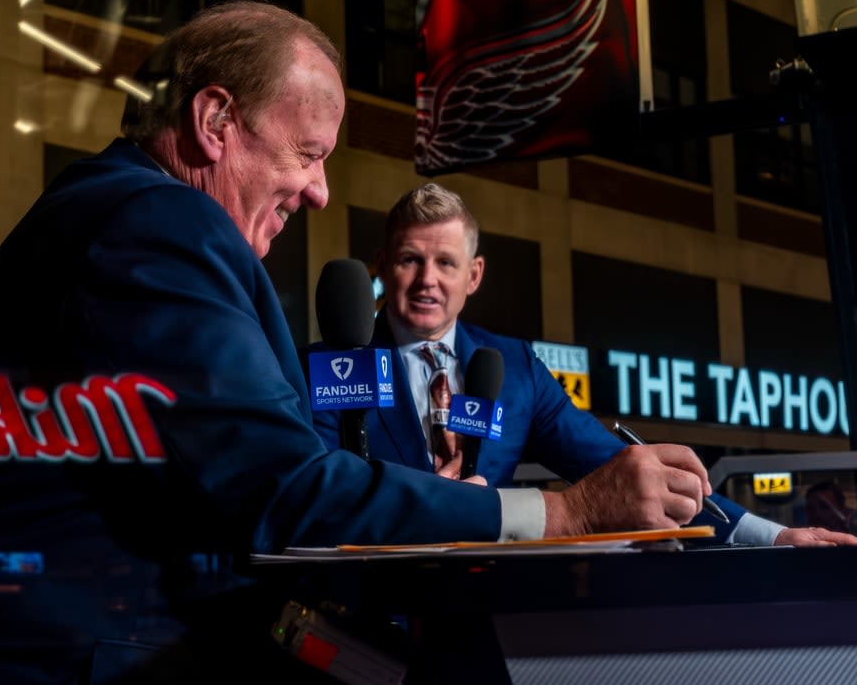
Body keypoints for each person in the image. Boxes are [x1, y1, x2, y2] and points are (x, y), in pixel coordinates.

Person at [0, 0, 631, 685]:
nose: (319, 191)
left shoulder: (111, 209)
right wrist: (555, 516)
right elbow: (285, 487)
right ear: (214, 121)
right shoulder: (159, 222)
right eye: (308, 152)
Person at [308, 182, 857, 548]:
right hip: (362, 616)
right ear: (382, 266)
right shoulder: (332, 367)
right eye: (410, 259)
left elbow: (619, 467)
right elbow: (312, 496)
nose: (429, 280)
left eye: (445, 263)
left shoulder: (515, 369)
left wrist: (773, 537)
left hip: (478, 613)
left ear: (473, 276)